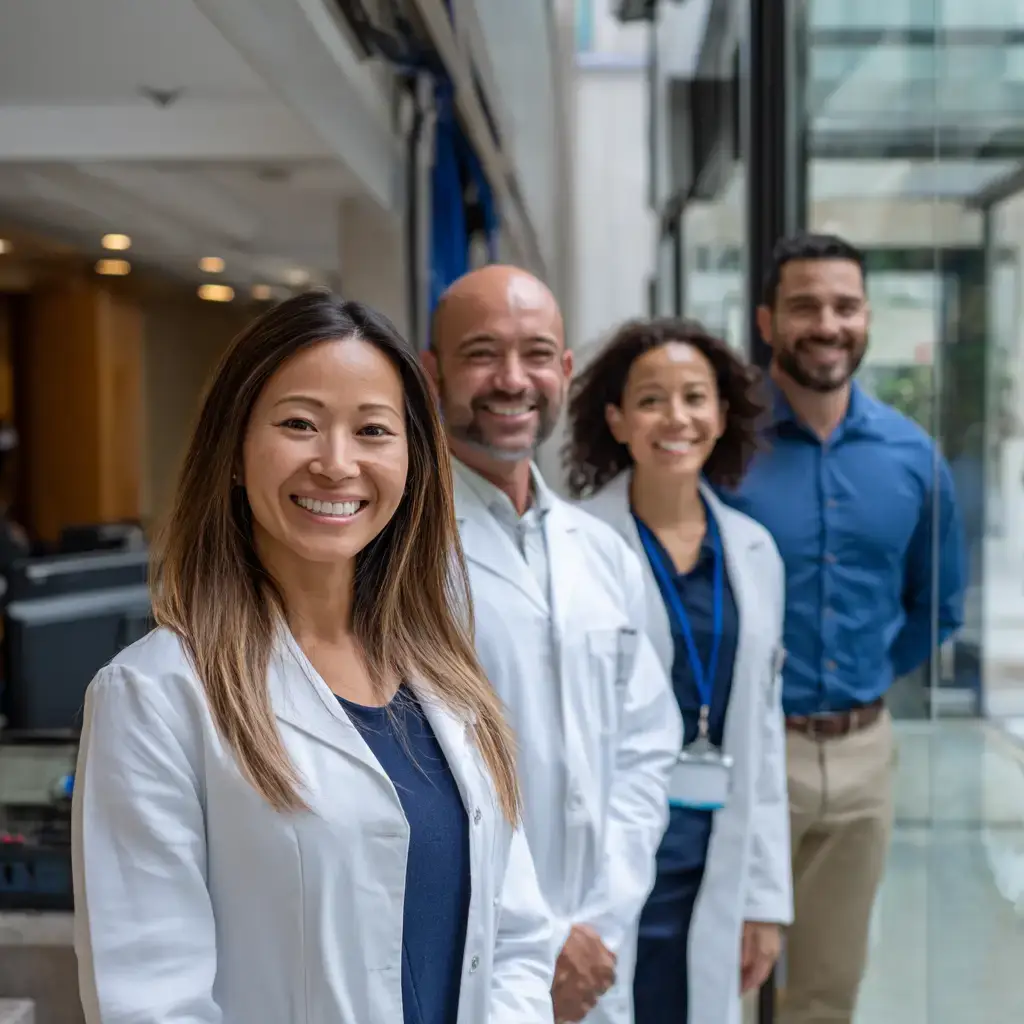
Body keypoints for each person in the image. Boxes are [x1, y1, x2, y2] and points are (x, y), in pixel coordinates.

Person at [71, 292, 556, 1024]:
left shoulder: (449, 681)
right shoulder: (157, 695)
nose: (336, 464)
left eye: (372, 430)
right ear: (234, 452)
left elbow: (515, 936)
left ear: (412, 461)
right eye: (299, 424)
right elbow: (150, 1001)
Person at [423, 266, 682, 1024]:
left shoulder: (600, 551)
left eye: (537, 354)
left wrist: (599, 923)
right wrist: (538, 938)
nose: (513, 379)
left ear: (565, 372)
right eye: (481, 353)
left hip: (600, 958)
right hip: (474, 950)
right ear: (432, 371)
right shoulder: (397, 555)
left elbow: (644, 751)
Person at [720, 233, 966, 1024]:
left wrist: (858, 678)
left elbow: (939, 604)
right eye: (805, 306)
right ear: (767, 321)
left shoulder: (913, 457)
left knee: (826, 993)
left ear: (865, 319)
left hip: (862, 757)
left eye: (845, 306)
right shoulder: (721, 450)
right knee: (717, 982)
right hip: (735, 755)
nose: (827, 323)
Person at [564, 318, 792, 1024]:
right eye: (652, 399)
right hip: (608, 851)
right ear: (617, 419)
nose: (676, 417)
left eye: (696, 397)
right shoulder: (575, 545)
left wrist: (764, 896)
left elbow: (763, 728)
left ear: (722, 416)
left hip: (714, 849)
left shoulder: (754, 550)